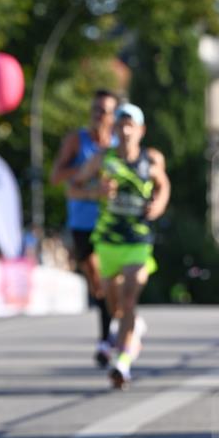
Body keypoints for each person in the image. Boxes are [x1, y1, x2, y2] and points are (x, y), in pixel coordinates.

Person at [74, 103, 170, 388]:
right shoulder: (103, 159)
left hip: (138, 241)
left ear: (141, 130)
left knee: (128, 298)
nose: (126, 130)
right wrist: (96, 191)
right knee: (113, 301)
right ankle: (131, 328)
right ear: (114, 129)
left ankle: (123, 362)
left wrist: (158, 206)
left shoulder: (151, 159)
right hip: (108, 241)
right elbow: (73, 187)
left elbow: (163, 186)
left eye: (131, 125)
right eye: (121, 125)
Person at [51, 89, 119, 367]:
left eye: (105, 111)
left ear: (114, 115)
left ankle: (107, 338)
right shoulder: (77, 142)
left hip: (111, 222)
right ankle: (111, 327)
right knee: (96, 281)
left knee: (107, 278)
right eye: (96, 110)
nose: (99, 116)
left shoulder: (119, 143)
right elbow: (56, 176)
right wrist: (83, 174)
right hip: (81, 221)